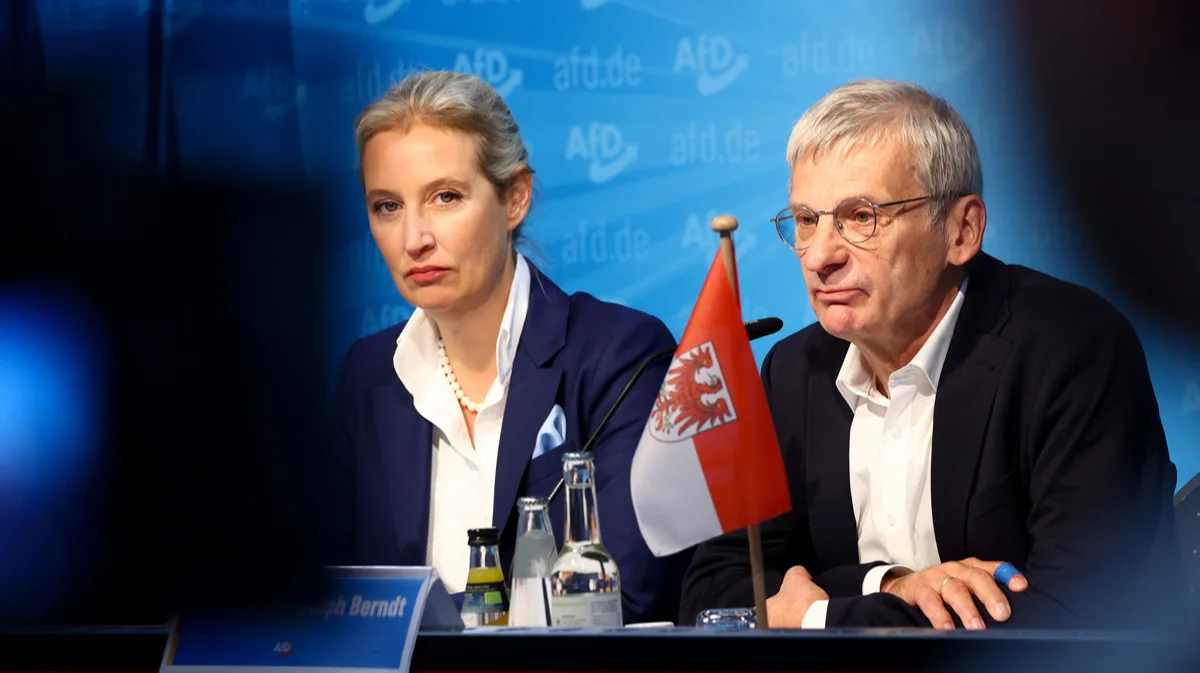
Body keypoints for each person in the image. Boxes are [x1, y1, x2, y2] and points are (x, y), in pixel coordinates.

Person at [679, 79, 1182, 630]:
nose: (820, 256)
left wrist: (820, 614)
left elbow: (1082, 616)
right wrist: (887, 583)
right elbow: (712, 594)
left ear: (961, 231)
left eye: (861, 216)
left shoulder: (1070, 351)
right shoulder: (793, 371)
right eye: (805, 220)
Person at [324, 70, 688, 625]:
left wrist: (410, 622)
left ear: (515, 197)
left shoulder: (620, 357)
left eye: (445, 197)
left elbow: (622, 595)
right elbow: (325, 601)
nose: (414, 238)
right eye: (387, 206)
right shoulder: (367, 373)